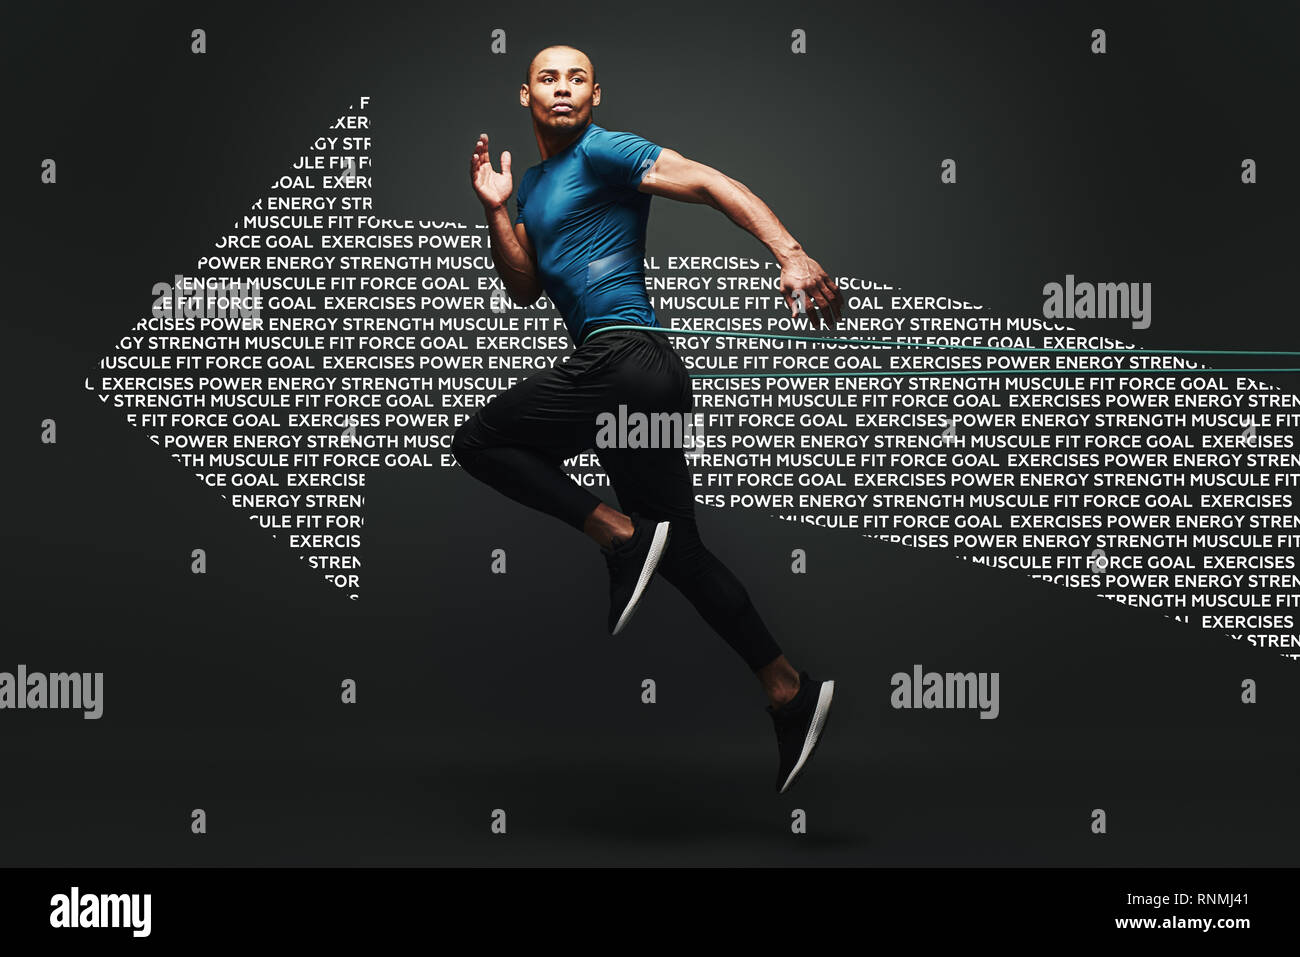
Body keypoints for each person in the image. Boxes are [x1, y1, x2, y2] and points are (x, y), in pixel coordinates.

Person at [454, 44, 845, 793]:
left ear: (595, 95)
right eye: (548, 79)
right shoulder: (533, 185)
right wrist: (498, 210)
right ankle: (787, 687)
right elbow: (524, 287)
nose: (562, 89)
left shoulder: (606, 150)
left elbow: (709, 180)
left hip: (626, 359)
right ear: (526, 94)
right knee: (683, 554)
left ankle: (619, 534)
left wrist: (789, 253)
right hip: (640, 390)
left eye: (576, 79)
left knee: (480, 440)